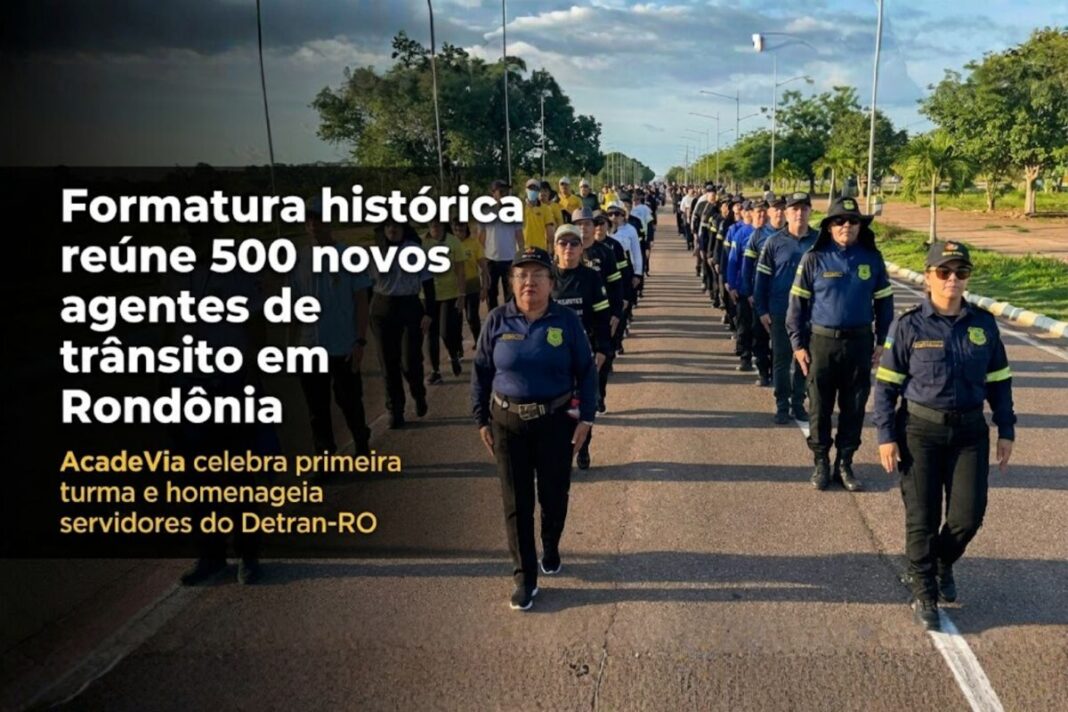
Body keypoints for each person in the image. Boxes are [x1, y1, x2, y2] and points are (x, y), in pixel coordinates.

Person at [872, 241, 1015, 631]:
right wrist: (885, 434)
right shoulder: (909, 325)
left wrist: (1006, 427)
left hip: (970, 431)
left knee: (968, 516)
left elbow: (999, 380)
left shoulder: (983, 324)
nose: (953, 279)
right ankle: (924, 589)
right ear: (929, 276)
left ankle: (941, 562)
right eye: (944, 272)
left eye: (961, 272)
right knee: (922, 517)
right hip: (919, 431)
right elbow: (886, 386)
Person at [471, 247, 598, 611]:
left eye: (537, 276)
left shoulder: (566, 322)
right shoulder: (497, 320)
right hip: (507, 423)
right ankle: (524, 577)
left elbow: (586, 372)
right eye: (522, 276)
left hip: (555, 422)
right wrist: (481, 417)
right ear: (512, 282)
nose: (529, 283)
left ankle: (551, 543)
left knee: (554, 496)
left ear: (550, 282)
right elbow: (480, 372)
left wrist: (586, 419)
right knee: (516, 502)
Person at [787, 196, 894, 491]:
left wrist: (883, 340)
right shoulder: (814, 258)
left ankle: (844, 463)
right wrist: (797, 343)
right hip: (822, 343)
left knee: (854, 406)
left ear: (860, 226)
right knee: (819, 407)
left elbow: (885, 304)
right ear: (829, 226)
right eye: (839, 221)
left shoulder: (871, 258)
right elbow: (796, 306)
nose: (846, 225)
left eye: (852, 221)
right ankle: (821, 462)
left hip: (859, 343)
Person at [289, 197, 373, 456]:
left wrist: (360, 340)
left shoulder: (348, 255)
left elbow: (361, 300)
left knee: (348, 401)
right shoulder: (299, 258)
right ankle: (324, 454)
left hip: (343, 344)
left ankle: (361, 442)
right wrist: (291, 345)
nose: (313, 224)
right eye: (308, 220)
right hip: (309, 345)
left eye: (318, 218)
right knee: (317, 408)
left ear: (329, 222)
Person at [551, 224, 612, 470]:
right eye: (563, 243)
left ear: (580, 248)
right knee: (555, 409)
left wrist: (602, 349)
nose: (568, 248)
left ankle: (583, 447)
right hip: (552, 354)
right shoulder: (546, 277)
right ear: (555, 248)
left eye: (574, 244)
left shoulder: (591, 277)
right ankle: (557, 452)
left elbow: (602, 317)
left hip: (583, 353)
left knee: (582, 404)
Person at [754, 192, 818, 423]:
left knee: (806, 360)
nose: (799, 213)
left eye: (804, 209)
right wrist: (761, 309)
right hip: (781, 310)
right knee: (781, 359)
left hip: (813, 313)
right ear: (788, 213)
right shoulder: (774, 242)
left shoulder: (820, 241)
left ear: (810, 212)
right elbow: (761, 280)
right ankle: (782, 404)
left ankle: (798, 403)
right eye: (795, 209)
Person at [368, 217, 434, 429]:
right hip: (382, 309)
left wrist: (428, 313)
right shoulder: (375, 253)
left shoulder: (415, 251)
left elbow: (428, 282)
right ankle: (395, 410)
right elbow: (366, 286)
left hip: (409, 308)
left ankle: (418, 392)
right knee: (388, 364)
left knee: (409, 361)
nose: (392, 230)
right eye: (388, 226)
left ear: (404, 228)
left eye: (396, 226)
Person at [424, 222, 466, 384]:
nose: (434, 227)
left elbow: (460, 271)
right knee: (431, 335)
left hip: (449, 294)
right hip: (427, 296)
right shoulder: (422, 243)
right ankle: (435, 372)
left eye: (437, 224)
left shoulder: (453, 242)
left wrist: (461, 295)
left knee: (445, 332)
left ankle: (454, 355)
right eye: (431, 224)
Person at [740, 198, 777, 386]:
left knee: (780, 339)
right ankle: (763, 371)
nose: (778, 213)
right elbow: (746, 267)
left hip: (782, 297)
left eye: (781, 209)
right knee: (760, 335)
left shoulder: (788, 236)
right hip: (759, 293)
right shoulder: (758, 236)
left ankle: (778, 373)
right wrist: (749, 292)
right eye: (774, 209)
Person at [479, 179, 524, 309]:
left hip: (509, 259)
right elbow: (480, 238)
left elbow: (519, 237)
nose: (504, 194)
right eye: (501, 191)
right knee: (491, 294)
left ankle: (509, 322)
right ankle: (494, 322)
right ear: (493, 193)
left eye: (506, 191)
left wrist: (521, 257)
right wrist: (481, 260)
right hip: (490, 260)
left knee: (510, 294)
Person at [726, 200, 756, 371]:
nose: (751, 213)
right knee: (744, 324)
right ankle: (745, 356)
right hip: (743, 286)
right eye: (749, 210)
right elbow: (732, 261)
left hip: (761, 288)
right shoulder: (739, 232)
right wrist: (732, 285)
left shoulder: (766, 233)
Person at [454, 218, 489, 349]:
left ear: (466, 230)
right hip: (455, 287)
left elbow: (483, 267)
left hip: (472, 284)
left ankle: (478, 340)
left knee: (471, 316)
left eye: (462, 230)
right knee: (456, 319)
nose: (459, 233)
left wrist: (484, 286)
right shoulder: (451, 244)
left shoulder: (474, 244)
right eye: (456, 230)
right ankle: (458, 347)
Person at [523, 178, 558, 251]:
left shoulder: (545, 209)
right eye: (530, 188)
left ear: (538, 191)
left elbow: (550, 232)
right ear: (526, 190)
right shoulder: (519, 207)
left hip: (540, 248)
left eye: (535, 189)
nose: (532, 191)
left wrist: (552, 250)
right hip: (523, 249)